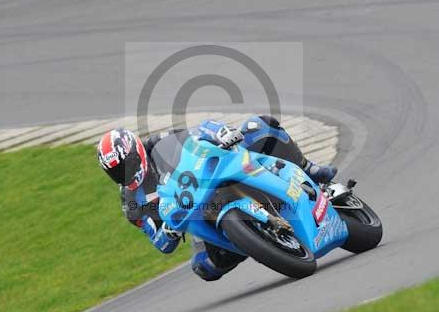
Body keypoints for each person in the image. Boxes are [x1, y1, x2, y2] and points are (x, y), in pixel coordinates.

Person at [96, 115, 337, 281]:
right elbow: (159, 243)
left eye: (127, 165)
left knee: (258, 126)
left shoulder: (159, 142)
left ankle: (308, 168)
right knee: (204, 266)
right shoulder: (133, 205)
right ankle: (256, 241)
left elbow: (199, 132)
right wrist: (168, 232)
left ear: (137, 152)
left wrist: (221, 134)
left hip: (217, 173)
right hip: (201, 215)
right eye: (116, 171)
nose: (124, 173)